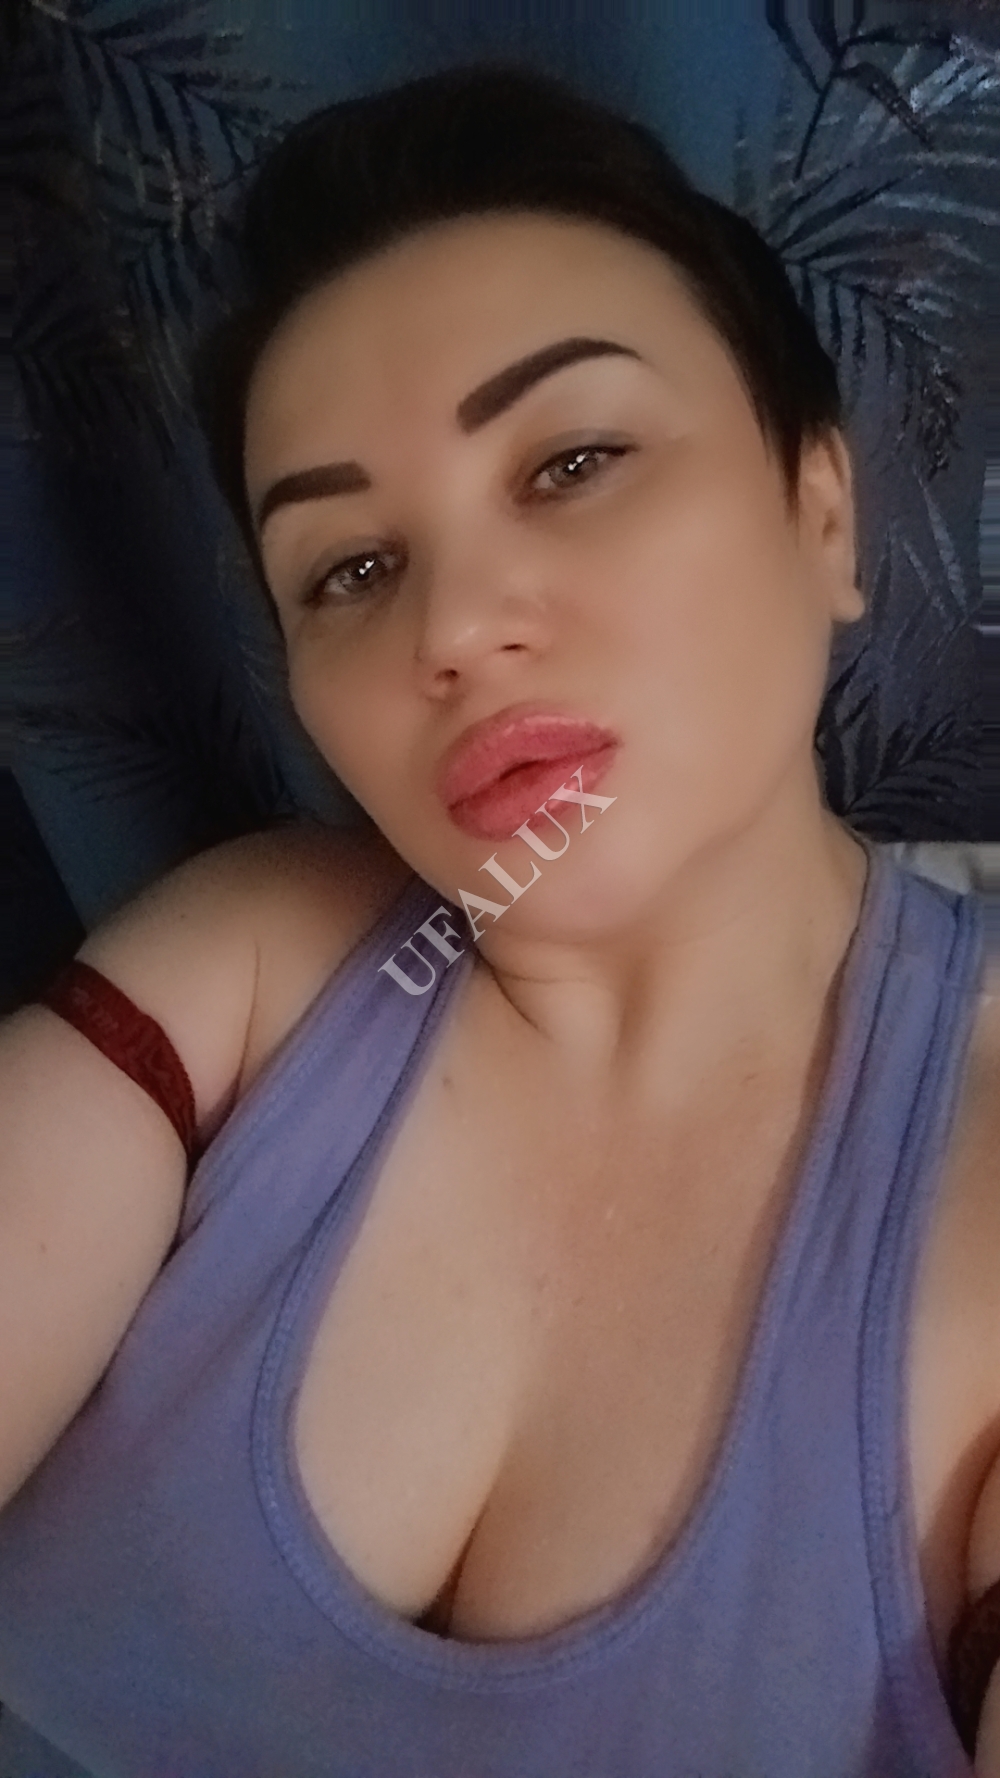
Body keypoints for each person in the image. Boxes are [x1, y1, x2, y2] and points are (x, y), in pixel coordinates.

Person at [0, 60, 997, 1778]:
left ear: (820, 510)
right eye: (351, 568)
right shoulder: (252, 963)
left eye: (573, 460)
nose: (453, 624)